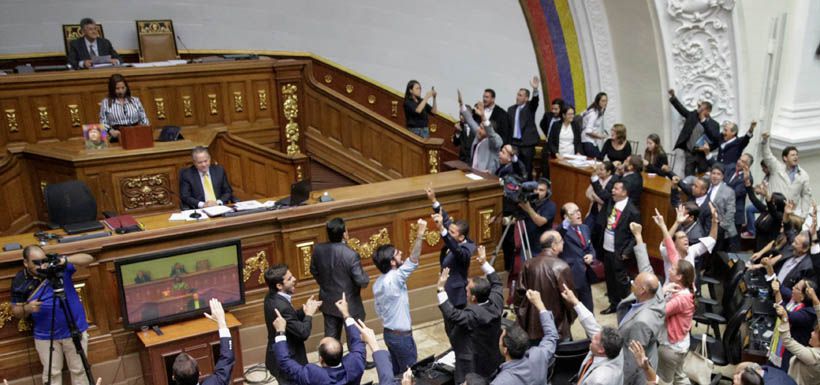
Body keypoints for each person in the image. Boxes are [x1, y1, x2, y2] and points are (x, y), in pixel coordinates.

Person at [10, 246, 94, 385]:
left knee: (79, 370)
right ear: (26, 263)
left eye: (43, 260)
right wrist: (28, 308)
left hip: (74, 328)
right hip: (45, 335)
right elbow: (16, 311)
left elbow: (88, 259)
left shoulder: (57, 267)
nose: (41, 265)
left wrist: (65, 259)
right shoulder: (20, 280)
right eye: (35, 262)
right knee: (51, 374)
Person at [650, 209, 703, 385]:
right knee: (680, 376)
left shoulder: (680, 297)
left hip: (671, 347)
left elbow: (658, 312)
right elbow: (672, 251)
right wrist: (664, 226)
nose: (669, 269)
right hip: (681, 344)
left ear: (679, 276)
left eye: (672, 270)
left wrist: (662, 291)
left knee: (664, 380)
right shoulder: (684, 283)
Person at [437, 246, 503, 382]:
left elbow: (452, 314)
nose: (465, 293)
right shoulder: (496, 303)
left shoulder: (472, 315)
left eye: (467, 291)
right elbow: (497, 283)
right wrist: (484, 263)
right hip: (492, 358)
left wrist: (440, 289)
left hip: (472, 365)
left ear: (473, 298)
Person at [371, 218, 426, 374]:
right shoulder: (395, 278)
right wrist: (420, 233)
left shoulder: (377, 283)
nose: (401, 253)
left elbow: (379, 311)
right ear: (392, 262)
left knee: (396, 374)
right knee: (411, 374)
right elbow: (413, 258)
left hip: (389, 334)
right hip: (402, 337)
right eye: (397, 253)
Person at [272, 294, 366, 385]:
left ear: (321, 359)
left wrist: (280, 332)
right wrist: (346, 314)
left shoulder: (313, 375)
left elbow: (284, 362)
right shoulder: (356, 363)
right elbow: (357, 340)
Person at [621, 223, 666, 385]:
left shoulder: (641, 323)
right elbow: (646, 267)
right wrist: (638, 236)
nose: (632, 283)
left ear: (642, 291)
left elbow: (633, 360)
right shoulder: (657, 292)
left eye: (634, 282)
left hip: (638, 374)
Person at [310, 217, 370, 340]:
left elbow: (314, 270)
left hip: (329, 301)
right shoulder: (351, 255)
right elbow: (361, 281)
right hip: (350, 303)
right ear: (344, 234)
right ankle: (358, 360)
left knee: (331, 339)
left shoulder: (318, 250)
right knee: (355, 338)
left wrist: (324, 284)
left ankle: (330, 360)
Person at [263, 264, 322, 384]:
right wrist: (309, 314)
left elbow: (290, 319)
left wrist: (303, 310)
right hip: (289, 358)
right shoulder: (281, 306)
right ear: (279, 285)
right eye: (289, 279)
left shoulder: (271, 297)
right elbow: (303, 332)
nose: (294, 279)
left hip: (278, 353)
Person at [514, 231, 576, 340]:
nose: (564, 242)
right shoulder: (562, 267)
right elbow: (570, 300)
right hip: (557, 326)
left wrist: (523, 319)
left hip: (532, 326)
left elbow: (519, 296)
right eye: (561, 241)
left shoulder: (528, 264)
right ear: (553, 246)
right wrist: (570, 319)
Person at [559, 284, 625, 385]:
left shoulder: (599, 380)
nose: (592, 336)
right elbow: (591, 324)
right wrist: (575, 301)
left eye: (595, 339)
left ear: (601, 349)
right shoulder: (615, 349)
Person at [490, 290, 558, 385]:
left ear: (505, 350)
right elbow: (551, 336)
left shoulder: (501, 381)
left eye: (501, 339)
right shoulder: (538, 355)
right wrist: (540, 305)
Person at [598, 181, 641, 314]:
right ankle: (614, 304)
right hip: (607, 248)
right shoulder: (612, 202)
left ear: (624, 192)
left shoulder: (633, 211)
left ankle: (628, 306)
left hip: (620, 252)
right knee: (609, 278)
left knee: (621, 281)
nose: (613, 191)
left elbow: (635, 235)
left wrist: (626, 252)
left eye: (616, 189)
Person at [172, 298, 236, 385]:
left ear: (173, 377)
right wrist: (221, 321)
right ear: (200, 373)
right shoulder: (215, 382)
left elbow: (227, 358)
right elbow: (227, 357)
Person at [775, 284, 820, 385]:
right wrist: (814, 297)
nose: (811, 333)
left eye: (815, 333)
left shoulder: (814, 357)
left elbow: (787, 341)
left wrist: (785, 319)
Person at [760, 132, 813, 218]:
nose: (795, 157)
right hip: (772, 211)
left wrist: (803, 216)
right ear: (785, 158)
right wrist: (765, 141)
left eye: (796, 155)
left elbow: (806, 196)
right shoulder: (776, 168)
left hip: (789, 214)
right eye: (792, 155)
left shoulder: (804, 175)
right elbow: (767, 156)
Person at [668, 89, 720, 176]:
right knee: (688, 176)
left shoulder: (714, 124)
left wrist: (707, 149)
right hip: (690, 153)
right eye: (700, 108)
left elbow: (715, 138)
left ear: (708, 111)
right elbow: (681, 110)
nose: (700, 110)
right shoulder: (693, 116)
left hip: (702, 155)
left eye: (703, 109)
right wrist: (673, 97)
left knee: (702, 176)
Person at [559, 202, 596, 312]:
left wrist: (591, 255)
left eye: (578, 210)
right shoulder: (562, 231)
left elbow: (590, 247)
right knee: (568, 312)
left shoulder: (585, 228)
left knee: (589, 309)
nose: (578, 214)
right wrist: (566, 221)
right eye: (574, 212)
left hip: (585, 274)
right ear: (566, 217)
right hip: (571, 276)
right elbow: (560, 231)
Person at [506, 76, 541, 178]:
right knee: (514, 168)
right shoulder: (511, 109)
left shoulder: (530, 107)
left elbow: (535, 101)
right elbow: (509, 127)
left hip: (527, 144)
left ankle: (527, 189)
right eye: (517, 94)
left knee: (526, 169)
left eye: (520, 95)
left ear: (526, 98)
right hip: (514, 143)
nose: (517, 97)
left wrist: (535, 89)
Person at [99, 74, 149, 142]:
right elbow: (102, 122)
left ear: (126, 87)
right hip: (116, 136)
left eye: (123, 88)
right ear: (112, 89)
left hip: (135, 134)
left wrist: (145, 130)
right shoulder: (106, 102)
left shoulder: (135, 100)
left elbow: (144, 118)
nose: (121, 91)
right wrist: (110, 131)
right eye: (117, 88)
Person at [460, 99, 503, 173]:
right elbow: (470, 121)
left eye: (482, 128)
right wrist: (461, 105)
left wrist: (483, 116)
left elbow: (491, 133)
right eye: (480, 127)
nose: (479, 129)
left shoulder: (495, 141)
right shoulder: (479, 134)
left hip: (487, 176)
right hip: (474, 172)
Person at [517, 178, 556, 257]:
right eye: (535, 189)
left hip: (541, 245)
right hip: (527, 242)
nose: (537, 192)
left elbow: (540, 222)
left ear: (547, 193)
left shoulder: (550, 206)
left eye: (541, 190)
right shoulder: (529, 202)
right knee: (526, 267)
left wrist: (528, 209)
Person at [705, 163, 738, 251]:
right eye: (713, 173)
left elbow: (730, 212)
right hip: (707, 225)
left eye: (718, 174)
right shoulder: (706, 185)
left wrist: (721, 228)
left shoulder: (729, 191)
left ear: (722, 176)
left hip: (722, 229)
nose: (715, 176)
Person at [538, 98, 565, 180]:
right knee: (545, 165)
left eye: (556, 109)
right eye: (552, 109)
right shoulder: (548, 115)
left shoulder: (563, 120)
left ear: (561, 109)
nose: (553, 111)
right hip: (547, 144)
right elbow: (542, 124)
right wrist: (548, 135)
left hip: (558, 146)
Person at [727, 153, 754, 235]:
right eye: (739, 159)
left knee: (734, 243)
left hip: (735, 215)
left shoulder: (748, 179)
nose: (739, 162)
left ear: (747, 166)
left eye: (743, 161)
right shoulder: (731, 169)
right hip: (723, 212)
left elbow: (734, 194)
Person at [580, 92, 609, 158]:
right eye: (603, 101)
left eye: (606, 100)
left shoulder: (598, 111)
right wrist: (599, 136)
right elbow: (588, 131)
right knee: (597, 161)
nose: (605, 103)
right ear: (598, 101)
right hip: (587, 141)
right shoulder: (594, 113)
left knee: (599, 159)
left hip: (591, 141)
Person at [453, 92, 477, 164]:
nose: (461, 117)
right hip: (462, 160)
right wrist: (457, 132)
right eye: (460, 114)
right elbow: (455, 143)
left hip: (473, 160)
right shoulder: (459, 126)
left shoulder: (476, 127)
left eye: (463, 115)